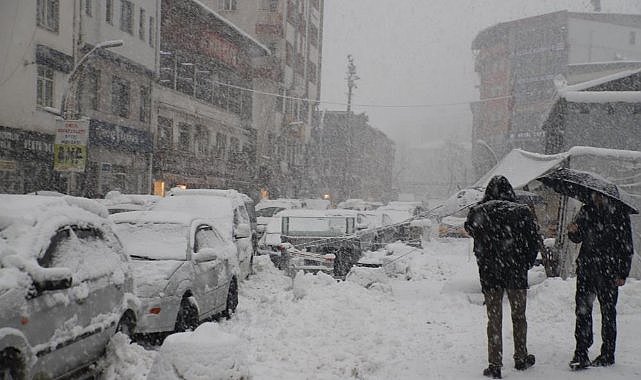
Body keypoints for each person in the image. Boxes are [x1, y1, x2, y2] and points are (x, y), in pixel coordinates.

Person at [464, 175, 540, 379]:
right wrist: (525, 263)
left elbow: (470, 229)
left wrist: (486, 251)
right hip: (515, 272)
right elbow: (534, 241)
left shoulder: (478, 211)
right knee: (519, 316)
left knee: (494, 319)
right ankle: (521, 357)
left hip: (490, 273)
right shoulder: (521, 211)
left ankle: (495, 363)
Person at [567, 191, 634, 370]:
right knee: (582, 311)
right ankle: (581, 351)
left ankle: (608, 353)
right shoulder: (586, 211)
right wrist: (572, 231)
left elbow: (627, 245)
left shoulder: (619, 214)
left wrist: (622, 273)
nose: (596, 198)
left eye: (600, 196)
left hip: (609, 271)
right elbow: (577, 237)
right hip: (587, 269)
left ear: (608, 197)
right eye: (595, 195)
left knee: (608, 312)